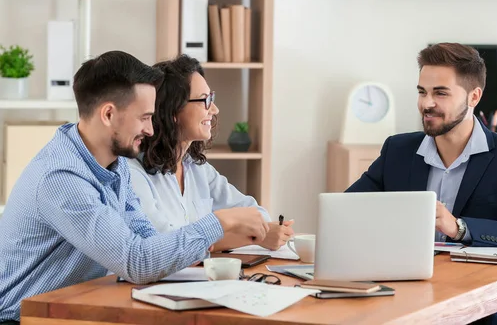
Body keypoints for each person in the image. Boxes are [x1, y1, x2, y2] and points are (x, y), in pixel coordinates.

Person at [0, 51, 268, 324]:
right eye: (144, 117)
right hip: (23, 319)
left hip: (72, 307)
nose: (152, 130)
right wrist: (221, 222)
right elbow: (136, 262)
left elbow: (148, 245)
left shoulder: (114, 167)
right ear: (108, 114)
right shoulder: (62, 179)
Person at [345, 43, 497, 324]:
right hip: (404, 288)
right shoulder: (398, 150)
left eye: (440, 93)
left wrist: (460, 228)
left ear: (474, 96)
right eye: (422, 92)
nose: (426, 103)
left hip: (489, 297)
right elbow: (348, 210)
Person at [128, 54, 294, 251]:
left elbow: (255, 213)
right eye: (205, 100)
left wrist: (252, 231)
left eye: (211, 98)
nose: (214, 109)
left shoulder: (196, 168)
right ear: (172, 111)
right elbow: (165, 246)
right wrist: (250, 237)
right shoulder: (133, 173)